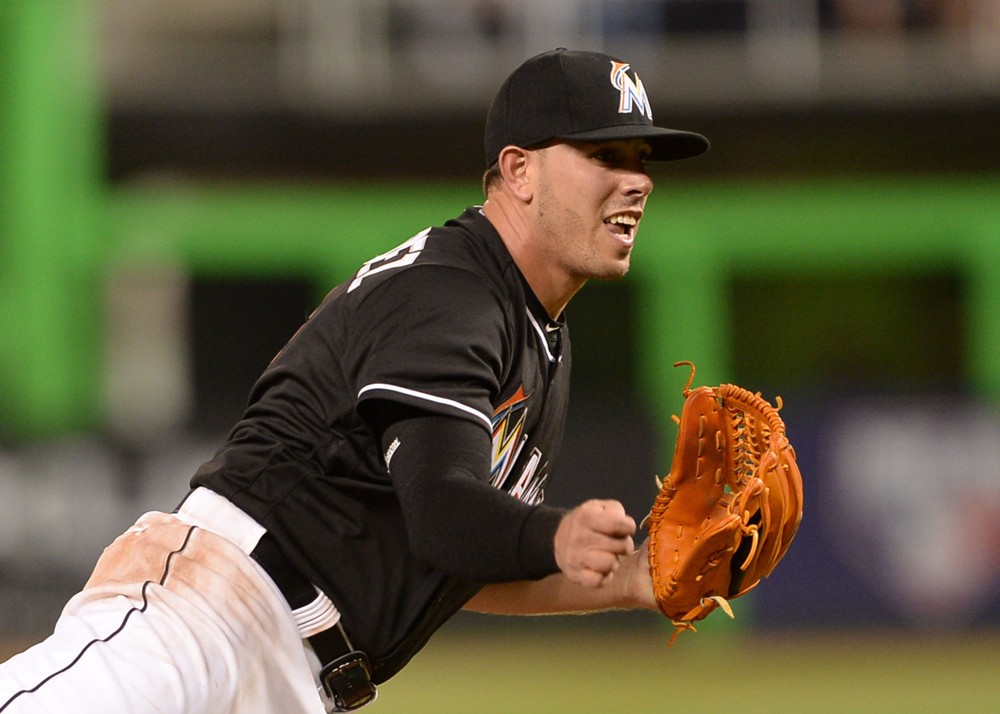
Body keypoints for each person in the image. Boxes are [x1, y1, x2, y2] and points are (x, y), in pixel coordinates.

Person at [0, 48, 709, 713]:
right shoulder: (451, 296)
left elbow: (449, 563)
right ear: (519, 171)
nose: (637, 178)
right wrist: (556, 534)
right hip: (207, 616)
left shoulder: (537, 338)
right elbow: (442, 510)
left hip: (296, 670)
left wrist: (631, 579)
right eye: (602, 153)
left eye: (642, 158)